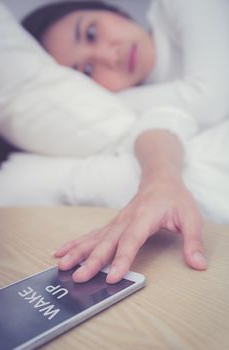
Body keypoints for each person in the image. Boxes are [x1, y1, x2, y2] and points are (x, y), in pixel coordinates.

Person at [21, 0, 229, 284]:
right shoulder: (141, 110)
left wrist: (103, 99)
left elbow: (210, 100)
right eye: (87, 71)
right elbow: (164, 120)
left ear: (112, 10)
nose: (109, 56)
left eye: (91, 33)